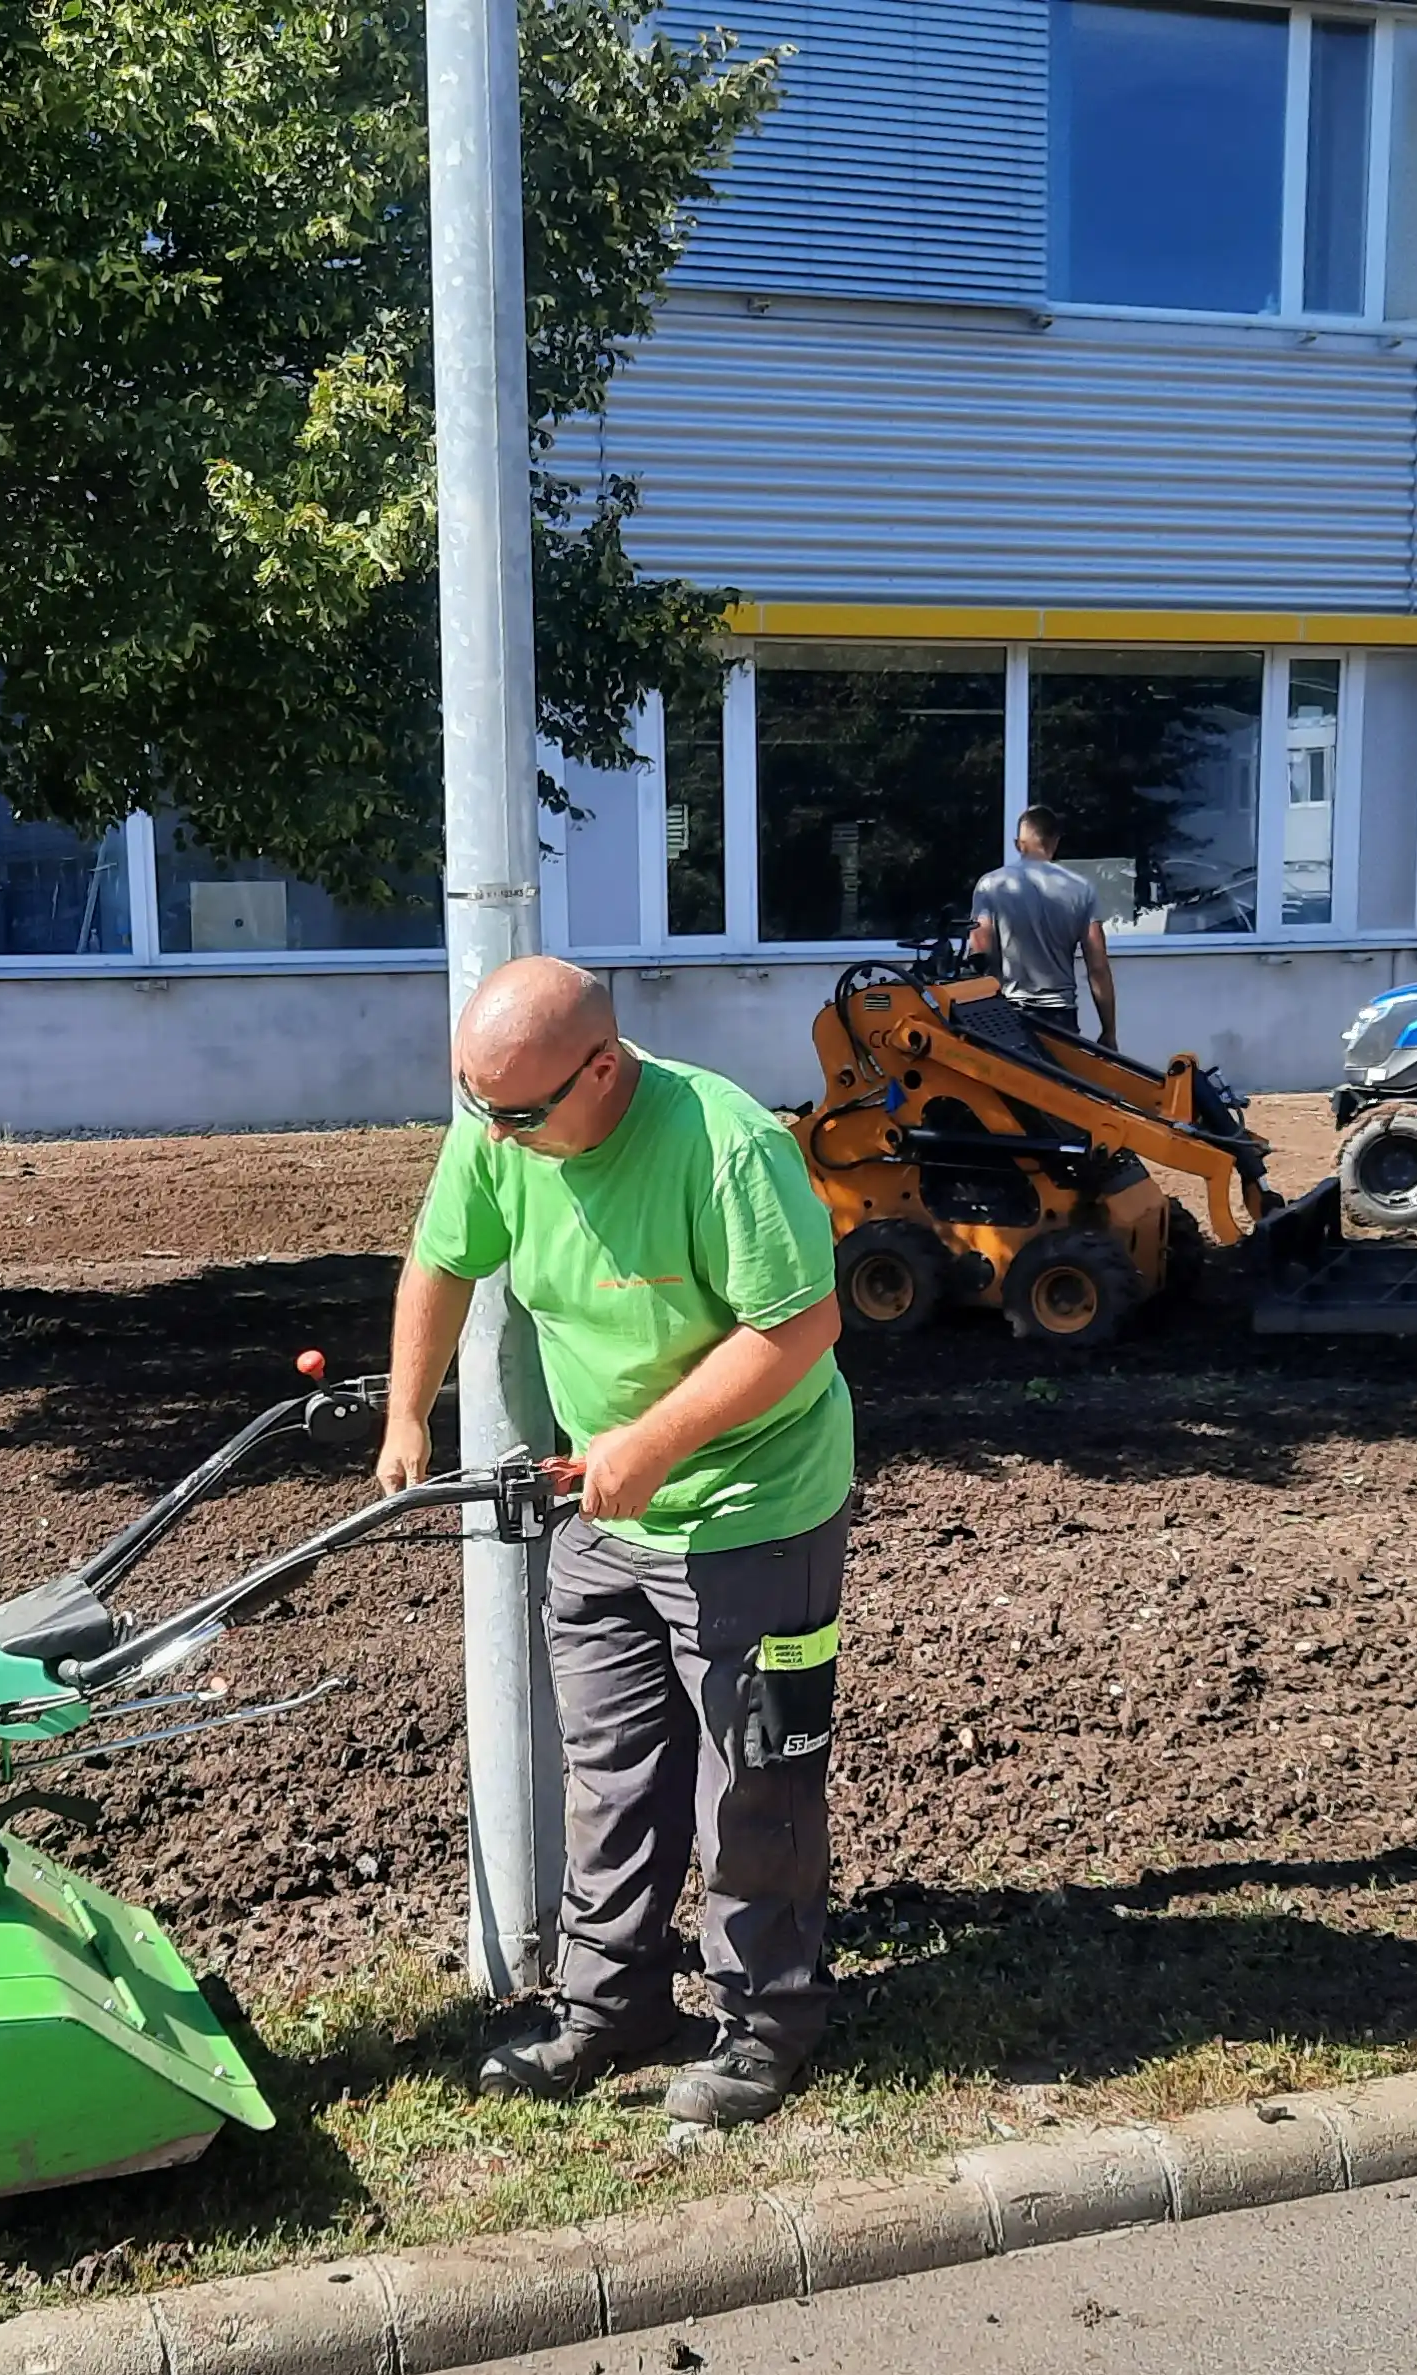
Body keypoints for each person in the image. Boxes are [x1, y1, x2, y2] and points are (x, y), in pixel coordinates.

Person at [379, 956, 858, 2127]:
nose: (490, 1132)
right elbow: (441, 1260)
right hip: (603, 1513)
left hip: (756, 1511)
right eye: (473, 1104)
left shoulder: (724, 1145)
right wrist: (405, 1410)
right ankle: (615, 2004)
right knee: (611, 1770)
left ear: (602, 1069)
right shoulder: (501, 1127)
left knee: (754, 1777)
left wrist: (648, 1442)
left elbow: (798, 1328)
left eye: (517, 1112)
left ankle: (764, 2022)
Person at [968, 806, 1121, 1049]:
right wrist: (1109, 1031)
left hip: (1007, 1016)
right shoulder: (1081, 888)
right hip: (1061, 1017)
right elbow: (1098, 966)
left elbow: (980, 950)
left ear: (1019, 844)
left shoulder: (991, 885)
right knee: (1059, 1086)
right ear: (1055, 841)